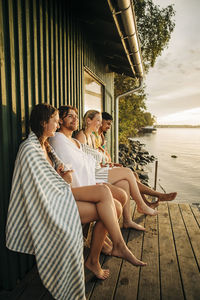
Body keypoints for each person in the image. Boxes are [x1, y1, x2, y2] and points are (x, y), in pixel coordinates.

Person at [6, 104, 146, 288]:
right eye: (55, 121)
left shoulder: (45, 145)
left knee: (116, 205)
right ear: (43, 122)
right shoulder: (29, 149)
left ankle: (93, 260)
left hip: (63, 193)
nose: (57, 126)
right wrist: (64, 177)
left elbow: (61, 170)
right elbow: (40, 186)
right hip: (53, 203)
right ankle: (118, 245)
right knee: (104, 193)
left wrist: (65, 174)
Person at [51, 107, 158, 227]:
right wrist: (103, 166)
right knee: (128, 172)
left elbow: (86, 158)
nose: (75, 118)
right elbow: (75, 165)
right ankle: (141, 205)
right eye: (70, 116)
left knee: (125, 183)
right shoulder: (65, 139)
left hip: (94, 171)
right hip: (93, 174)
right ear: (60, 120)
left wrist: (106, 164)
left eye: (76, 116)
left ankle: (127, 220)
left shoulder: (75, 139)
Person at [96, 111, 177, 206]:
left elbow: (104, 156)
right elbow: (95, 160)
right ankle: (157, 195)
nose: (109, 127)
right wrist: (108, 165)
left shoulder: (101, 136)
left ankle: (146, 202)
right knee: (130, 176)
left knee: (134, 174)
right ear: (101, 121)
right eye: (108, 123)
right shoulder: (93, 137)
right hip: (101, 171)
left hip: (107, 167)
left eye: (110, 124)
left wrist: (113, 164)